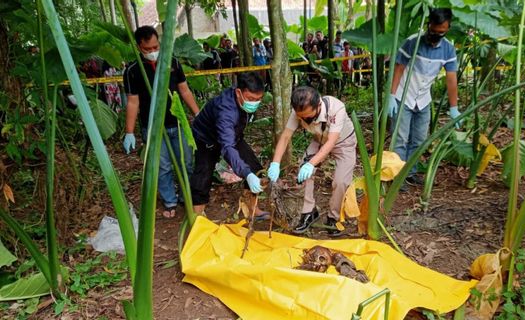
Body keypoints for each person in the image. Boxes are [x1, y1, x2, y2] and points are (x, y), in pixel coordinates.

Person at [122, 25, 200, 218]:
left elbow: (184, 90)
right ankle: (170, 201)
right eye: (147, 49)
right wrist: (129, 131)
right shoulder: (133, 70)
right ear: (139, 47)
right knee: (162, 166)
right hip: (153, 128)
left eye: (155, 47)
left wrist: (198, 115)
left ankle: (186, 196)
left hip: (178, 122)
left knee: (186, 163)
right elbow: (133, 102)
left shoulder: (171, 62)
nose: (153, 52)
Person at [267, 86, 356, 236]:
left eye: (308, 117)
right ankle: (309, 212)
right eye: (301, 117)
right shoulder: (299, 112)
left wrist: (311, 163)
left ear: (319, 105)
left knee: (341, 181)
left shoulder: (336, 108)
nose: (303, 120)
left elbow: (331, 142)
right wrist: (275, 163)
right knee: (303, 174)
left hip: (342, 142)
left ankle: (334, 217)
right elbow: (285, 137)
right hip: (319, 140)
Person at [388, 8, 461, 188]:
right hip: (403, 95)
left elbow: (451, 79)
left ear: (447, 29)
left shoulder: (448, 50)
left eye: (441, 32)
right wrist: (391, 95)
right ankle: (397, 176)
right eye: (433, 31)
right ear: (428, 25)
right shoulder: (413, 42)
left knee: (420, 140)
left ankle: (410, 172)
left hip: (423, 99)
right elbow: (398, 69)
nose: (435, 35)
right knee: (400, 139)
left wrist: (454, 107)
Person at [190, 72, 268, 219]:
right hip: (206, 138)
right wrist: (245, 173)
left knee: (255, 169)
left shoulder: (242, 100)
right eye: (251, 99)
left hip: (234, 136)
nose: (255, 103)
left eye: (258, 99)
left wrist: (249, 173)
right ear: (238, 92)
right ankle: (197, 217)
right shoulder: (225, 111)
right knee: (203, 175)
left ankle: (251, 208)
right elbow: (227, 147)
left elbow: (231, 141)